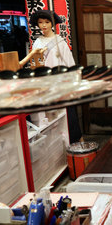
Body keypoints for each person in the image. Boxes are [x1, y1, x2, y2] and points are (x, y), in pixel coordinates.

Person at [21, 10, 82, 143]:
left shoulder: (61, 43)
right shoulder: (37, 42)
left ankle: (73, 141)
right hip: (42, 83)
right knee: (48, 117)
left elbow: (70, 64)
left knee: (66, 113)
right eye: (41, 22)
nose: (44, 25)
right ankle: (54, 144)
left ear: (52, 24)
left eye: (47, 22)